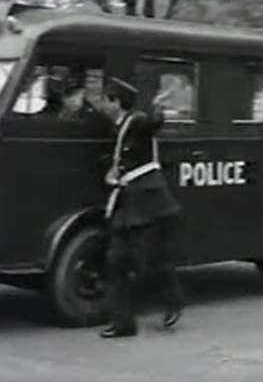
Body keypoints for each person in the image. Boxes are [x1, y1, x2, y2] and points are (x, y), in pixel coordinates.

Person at [88, 76, 184, 339]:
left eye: (105, 100)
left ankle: (172, 301)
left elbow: (153, 123)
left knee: (150, 261)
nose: (102, 105)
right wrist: (112, 174)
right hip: (126, 202)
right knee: (115, 262)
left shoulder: (137, 121)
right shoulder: (116, 128)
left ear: (116, 102)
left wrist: (158, 106)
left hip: (149, 203)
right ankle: (123, 324)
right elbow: (121, 162)